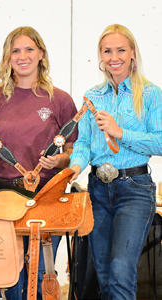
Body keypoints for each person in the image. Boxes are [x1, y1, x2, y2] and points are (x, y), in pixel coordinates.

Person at [0, 26, 78, 299]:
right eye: (15, 51)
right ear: (7, 57)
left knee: (43, 275)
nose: (22, 56)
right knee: (10, 278)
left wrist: (59, 161)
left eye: (29, 49)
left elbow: (73, 150)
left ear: (41, 54)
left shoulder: (61, 100)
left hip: (47, 195)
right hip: (2, 199)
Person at [69, 24, 162, 300]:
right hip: (97, 189)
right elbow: (84, 143)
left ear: (132, 53)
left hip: (134, 189)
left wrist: (120, 132)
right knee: (105, 276)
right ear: (100, 55)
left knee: (121, 272)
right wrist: (75, 166)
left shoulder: (150, 94)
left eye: (120, 49)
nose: (114, 57)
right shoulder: (92, 96)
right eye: (107, 51)